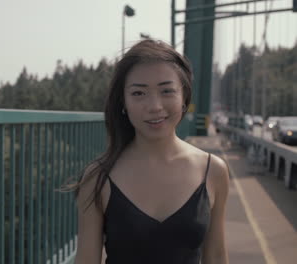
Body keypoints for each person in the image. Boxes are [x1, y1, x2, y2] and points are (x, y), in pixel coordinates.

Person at [73, 39, 230, 264]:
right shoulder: (97, 178)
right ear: (123, 102)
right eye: (138, 93)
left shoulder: (213, 171)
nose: (155, 105)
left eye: (166, 91)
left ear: (184, 97)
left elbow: (215, 256)